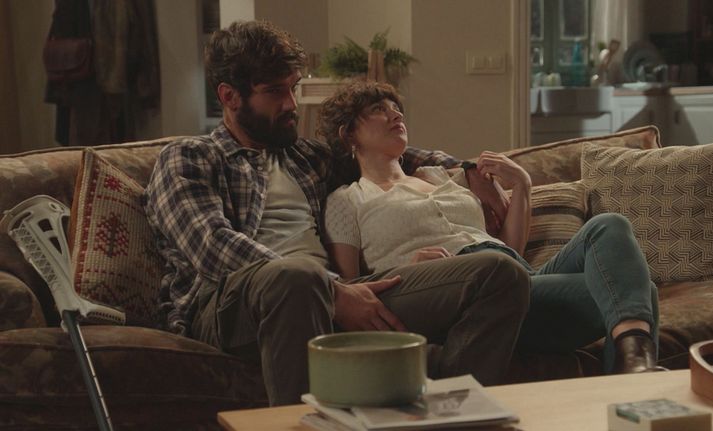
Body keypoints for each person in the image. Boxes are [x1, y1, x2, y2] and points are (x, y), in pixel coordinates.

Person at [142, 20, 531, 406]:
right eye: (275, 91)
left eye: (293, 87)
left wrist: (469, 171)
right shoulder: (189, 157)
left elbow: (385, 153)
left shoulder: (305, 158)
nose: (291, 104)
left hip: (337, 294)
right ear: (229, 96)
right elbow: (212, 247)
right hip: (233, 305)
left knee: (498, 272)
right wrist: (333, 290)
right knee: (297, 275)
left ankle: (449, 410)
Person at [319, 80, 664, 375]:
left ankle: (633, 371)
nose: (396, 115)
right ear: (348, 134)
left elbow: (508, 251)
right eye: (379, 110)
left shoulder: (440, 177)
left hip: (517, 277)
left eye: (397, 108)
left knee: (609, 227)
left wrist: (523, 185)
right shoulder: (346, 200)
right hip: (458, 293)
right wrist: (410, 274)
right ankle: (634, 380)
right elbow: (353, 288)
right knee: (638, 295)